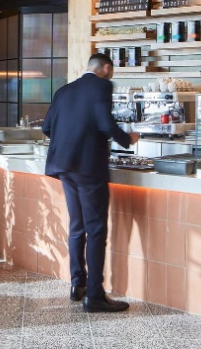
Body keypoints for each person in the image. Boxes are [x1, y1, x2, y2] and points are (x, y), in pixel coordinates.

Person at [42, 52, 140, 313]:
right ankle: (95, 295)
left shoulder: (64, 90)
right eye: (111, 70)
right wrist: (128, 139)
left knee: (77, 226)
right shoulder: (102, 85)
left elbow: (47, 127)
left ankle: (78, 285)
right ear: (105, 68)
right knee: (96, 230)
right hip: (88, 167)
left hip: (64, 166)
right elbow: (105, 122)